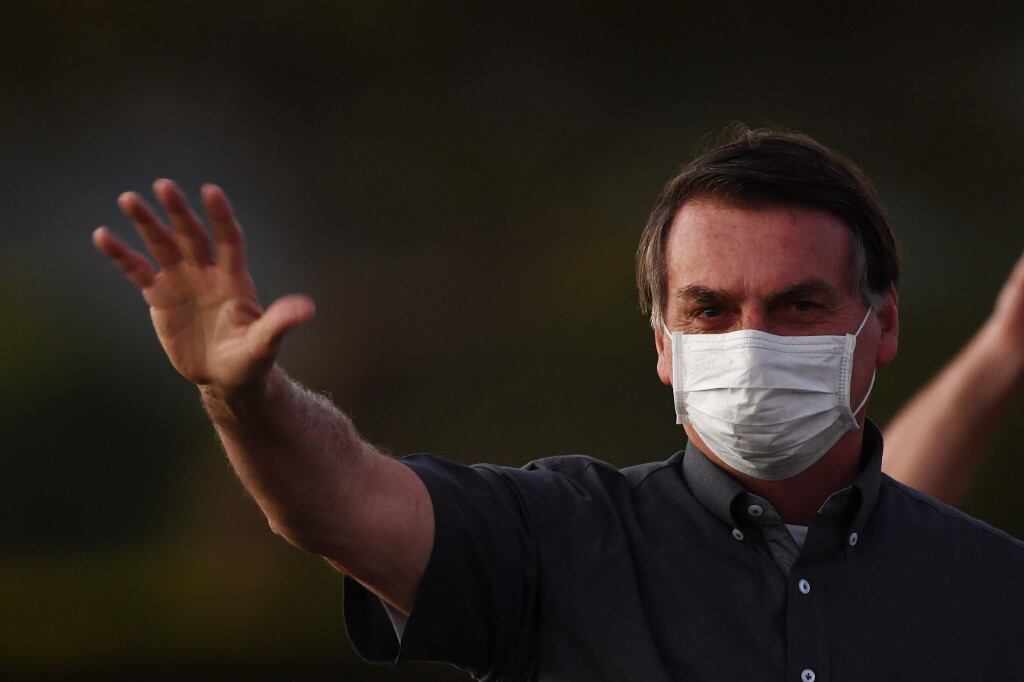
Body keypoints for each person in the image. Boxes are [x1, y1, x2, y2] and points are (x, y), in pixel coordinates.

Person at [93, 129, 1024, 680]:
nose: (751, 342)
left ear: (882, 324)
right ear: (663, 344)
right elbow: (341, 503)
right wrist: (245, 397)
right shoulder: (552, 538)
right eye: (709, 310)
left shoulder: (995, 592)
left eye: (799, 306)